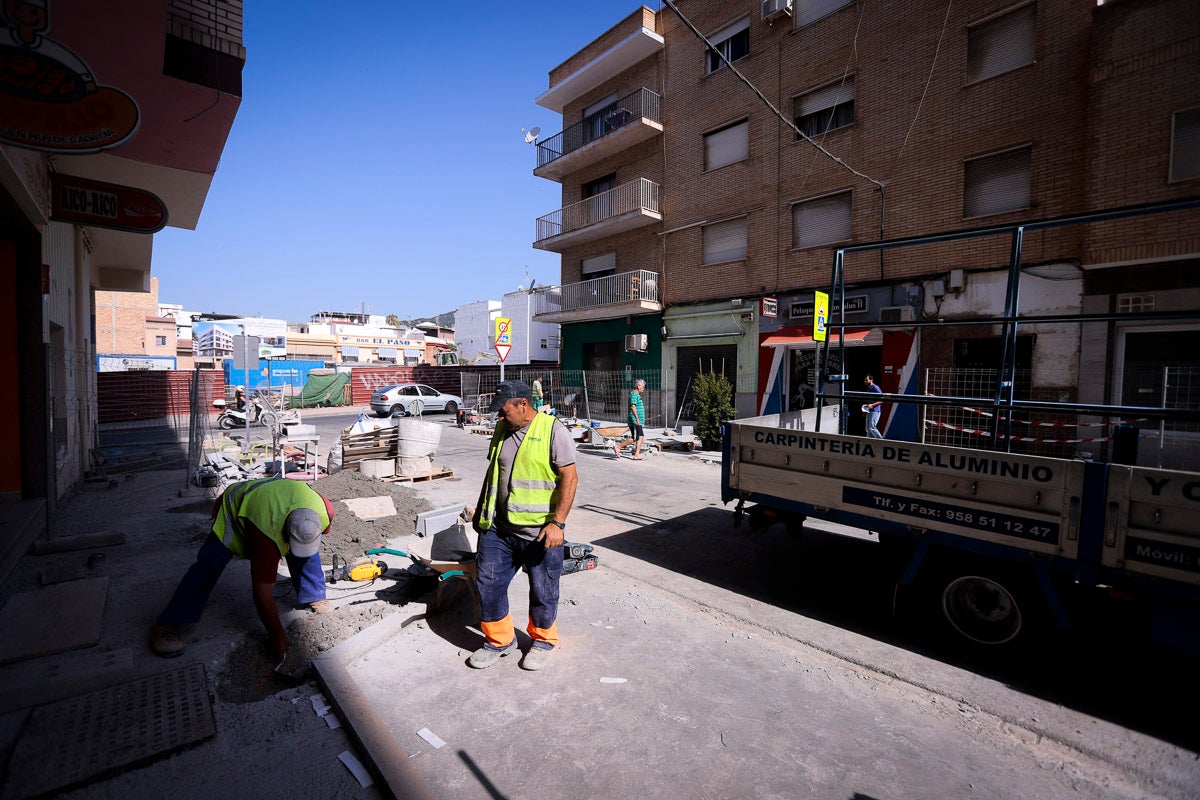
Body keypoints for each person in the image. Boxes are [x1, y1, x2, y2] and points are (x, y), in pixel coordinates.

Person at [149, 477, 335, 661]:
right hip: (238, 505)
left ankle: (314, 595)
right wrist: (277, 635)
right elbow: (261, 595)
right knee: (210, 564)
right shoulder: (266, 534)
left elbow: (306, 539)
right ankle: (168, 624)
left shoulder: (324, 511)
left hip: (274, 498)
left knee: (305, 549)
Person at [470, 380, 578, 670]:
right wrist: (482, 510)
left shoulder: (554, 431)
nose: (500, 418)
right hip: (499, 529)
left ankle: (543, 640)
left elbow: (570, 478)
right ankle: (499, 640)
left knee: (543, 590)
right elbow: (494, 472)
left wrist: (559, 524)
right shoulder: (503, 429)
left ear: (523, 404)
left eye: (504, 412)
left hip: (540, 533)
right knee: (488, 584)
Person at [613, 379, 647, 460]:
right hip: (635, 420)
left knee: (640, 437)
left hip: (637, 420)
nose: (644, 388)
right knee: (636, 437)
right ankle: (618, 446)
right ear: (638, 386)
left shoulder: (636, 395)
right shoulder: (634, 394)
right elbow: (632, 406)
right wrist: (637, 418)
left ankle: (636, 454)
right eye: (643, 386)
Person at [863, 374, 884, 439]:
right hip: (869, 410)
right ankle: (869, 442)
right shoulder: (869, 389)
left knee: (872, 427)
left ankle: (882, 441)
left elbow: (882, 399)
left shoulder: (875, 388)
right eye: (864, 380)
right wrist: (865, 410)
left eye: (867, 380)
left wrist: (872, 405)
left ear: (871, 380)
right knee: (867, 429)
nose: (865, 382)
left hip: (875, 411)